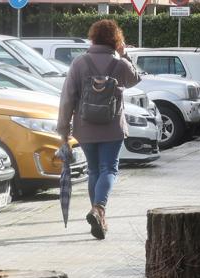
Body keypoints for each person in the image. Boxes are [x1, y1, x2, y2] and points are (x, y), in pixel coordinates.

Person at [57, 19, 140, 240]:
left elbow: (67, 98)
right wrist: (124, 55)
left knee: (94, 171)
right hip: (112, 127)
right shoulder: (119, 64)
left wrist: (63, 130)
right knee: (109, 169)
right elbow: (136, 79)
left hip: (85, 127)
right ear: (116, 39)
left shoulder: (79, 63)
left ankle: (99, 216)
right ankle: (99, 209)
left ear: (92, 37)